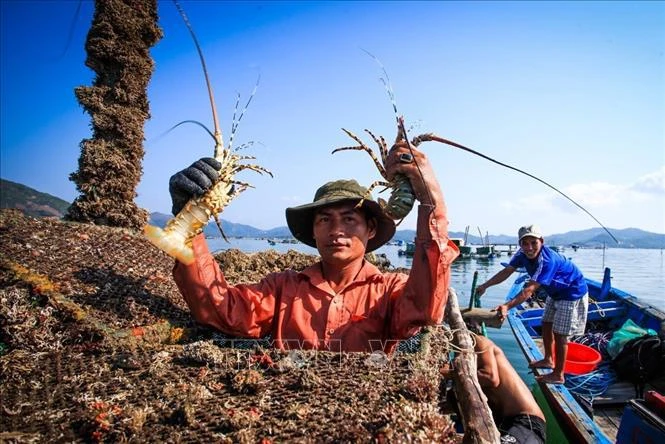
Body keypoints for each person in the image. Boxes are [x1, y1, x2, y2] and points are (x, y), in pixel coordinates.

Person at [168, 141, 459, 353]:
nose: (336, 231)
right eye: (324, 220)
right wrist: (188, 216)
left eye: (349, 219)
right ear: (313, 230)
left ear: (371, 229)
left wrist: (430, 196)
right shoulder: (282, 289)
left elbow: (426, 308)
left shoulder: (389, 290)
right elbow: (218, 308)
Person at [475, 225, 588, 384]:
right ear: (520, 244)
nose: (529, 248)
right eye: (525, 243)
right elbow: (506, 272)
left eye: (533, 242)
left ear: (541, 241)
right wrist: (485, 286)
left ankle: (558, 374)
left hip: (571, 292)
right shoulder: (522, 254)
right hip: (554, 292)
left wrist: (507, 306)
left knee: (560, 334)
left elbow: (529, 290)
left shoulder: (547, 260)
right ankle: (548, 359)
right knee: (546, 324)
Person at [474, 335, 547, 444]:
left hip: (526, 421)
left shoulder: (479, 341)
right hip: (506, 422)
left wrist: (451, 373)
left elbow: (490, 378)